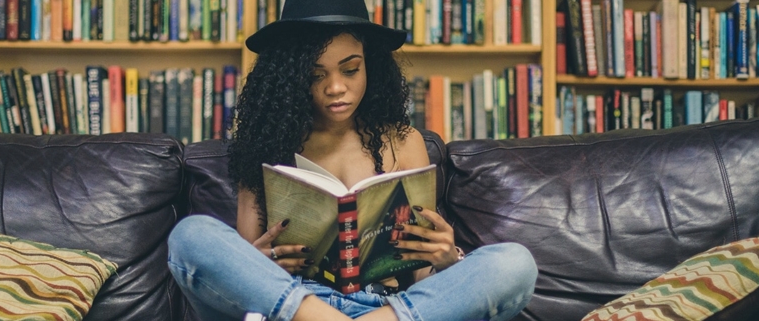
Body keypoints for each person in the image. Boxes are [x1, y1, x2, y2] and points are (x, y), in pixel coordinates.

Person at [167, 0, 538, 320]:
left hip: (392, 308)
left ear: (370, 66)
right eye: (316, 74)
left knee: (513, 264)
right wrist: (260, 259)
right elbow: (250, 275)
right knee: (191, 235)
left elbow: (419, 276)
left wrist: (446, 260)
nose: (336, 87)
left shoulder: (404, 143)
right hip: (296, 307)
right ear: (292, 77)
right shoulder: (264, 145)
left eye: (350, 69)